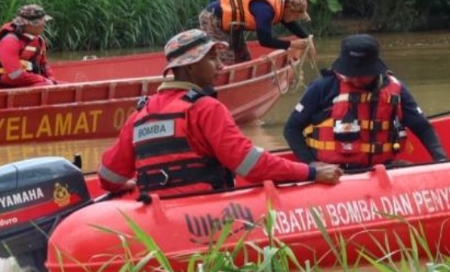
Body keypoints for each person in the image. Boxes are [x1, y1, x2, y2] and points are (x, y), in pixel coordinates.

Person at [98, 29, 342, 200]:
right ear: (189, 67)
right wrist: (311, 172)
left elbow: (108, 176)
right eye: (212, 58)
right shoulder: (205, 109)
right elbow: (251, 165)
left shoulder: (141, 114)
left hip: (157, 210)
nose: (221, 66)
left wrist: (128, 185)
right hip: (204, 210)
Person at [283, 34, 448, 170]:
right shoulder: (323, 87)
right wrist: (312, 165)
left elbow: (422, 127)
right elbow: (292, 128)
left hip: (383, 167)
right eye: (350, 73)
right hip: (336, 172)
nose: (354, 78)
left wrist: (440, 159)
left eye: (361, 74)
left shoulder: (395, 89)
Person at [198, 0, 313, 65]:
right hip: (213, 18)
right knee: (226, 59)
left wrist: (306, 38)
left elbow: (290, 23)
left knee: (244, 57)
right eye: (296, 16)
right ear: (288, 9)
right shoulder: (266, 11)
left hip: (233, 24)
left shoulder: (280, 5)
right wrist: (291, 44)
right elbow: (264, 40)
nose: (295, 20)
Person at [0, 4, 59, 88]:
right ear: (29, 25)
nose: (43, 25)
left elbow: (43, 65)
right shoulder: (9, 41)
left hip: (27, 79)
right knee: (46, 84)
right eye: (40, 23)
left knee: (53, 84)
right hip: (4, 83)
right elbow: (14, 75)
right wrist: (42, 80)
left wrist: (51, 78)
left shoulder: (38, 40)